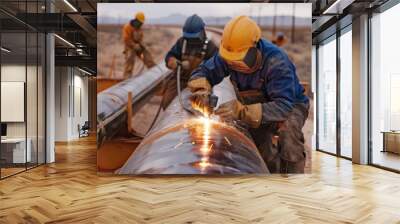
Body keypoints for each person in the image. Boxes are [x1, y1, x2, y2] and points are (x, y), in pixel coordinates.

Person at [187, 16, 309, 173]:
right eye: (230, 61)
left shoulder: (277, 62)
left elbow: (283, 107)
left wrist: (241, 111)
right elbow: (203, 71)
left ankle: (293, 179)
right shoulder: (229, 55)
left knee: (288, 135)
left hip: (290, 104)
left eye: (238, 60)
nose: (233, 64)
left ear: (254, 48)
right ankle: (269, 174)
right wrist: (201, 90)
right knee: (258, 146)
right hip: (254, 106)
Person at [162, 14, 218, 109]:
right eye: (189, 37)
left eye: (193, 37)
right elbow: (169, 56)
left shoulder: (210, 47)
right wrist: (172, 61)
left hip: (200, 83)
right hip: (180, 80)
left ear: (202, 32)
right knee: (167, 102)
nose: (191, 40)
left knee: (202, 107)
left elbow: (217, 67)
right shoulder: (182, 42)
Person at [122, 12, 155, 78]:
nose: (141, 24)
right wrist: (134, 45)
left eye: (142, 23)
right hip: (130, 47)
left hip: (138, 46)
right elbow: (126, 39)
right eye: (140, 22)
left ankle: (154, 72)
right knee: (130, 60)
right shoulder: (127, 27)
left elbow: (140, 38)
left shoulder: (139, 28)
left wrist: (142, 45)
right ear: (136, 20)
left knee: (147, 57)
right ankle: (127, 78)